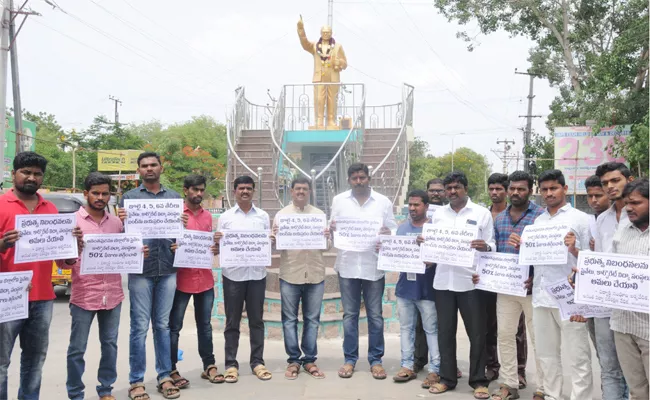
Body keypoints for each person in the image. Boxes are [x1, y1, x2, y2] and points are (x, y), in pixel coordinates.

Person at [0, 152, 82, 399]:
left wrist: (72, 246)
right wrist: (2, 244)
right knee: (2, 362)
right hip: (7, 296)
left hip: (42, 297)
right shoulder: (1, 206)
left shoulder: (51, 208)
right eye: (26, 172)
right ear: (14, 174)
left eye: (37, 173)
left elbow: (61, 259)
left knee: (35, 360)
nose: (31, 177)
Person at [64, 172, 149, 400]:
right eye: (95, 193)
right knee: (77, 349)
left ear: (110, 195)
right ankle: (75, 394)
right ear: (85, 194)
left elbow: (125, 250)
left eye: (105, 193)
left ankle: (105, 390)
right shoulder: (73, 222)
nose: (100, 197)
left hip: (112, 295)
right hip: (84, 295)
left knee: (110, 345)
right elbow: (62, 262)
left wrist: (138, 252)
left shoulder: (117, 223)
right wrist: (74, 251)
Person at [510, 169, 593, 400]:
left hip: (570, 296)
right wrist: (524, 250)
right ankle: (552, 395)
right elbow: (537, 258)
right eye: (544, 189)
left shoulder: (580, 219)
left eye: (553, 188)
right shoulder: (538, 221)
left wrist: (575, 248)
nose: (549, 193)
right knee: (547, 354)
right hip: (541, 294)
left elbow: (591, 258)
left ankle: (580, 397)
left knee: (578, 354)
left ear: (564, 189)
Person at [473, 171, 545, 400]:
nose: (515, 192)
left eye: (521, 189)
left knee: (538, 338)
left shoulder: (541, 217)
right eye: (513, 188)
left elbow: (547, 253)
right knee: (505, 335)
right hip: (505, 289)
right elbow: (492, 253)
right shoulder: (500, 218)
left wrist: (535, 274)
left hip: (532, 287)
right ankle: (510, 383)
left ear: (530, 191)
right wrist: (483, 274)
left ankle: (543, 388)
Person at [119, 152, 183, 400]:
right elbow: (121, 236)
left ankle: (165, 376)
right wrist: (122, 221)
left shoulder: (174, 198)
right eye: (144, 166)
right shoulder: (129, 199)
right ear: (139, 170)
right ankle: (136, 381)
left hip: (168, 269)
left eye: (153, 164)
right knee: (138, 327)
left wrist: (181, 241)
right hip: (140, 271)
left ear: (161, 167)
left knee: (163, 326)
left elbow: (180, 236)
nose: (149, 169)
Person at [426, 171, 494, 398]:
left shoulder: (482, 213)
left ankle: (479, 380)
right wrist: (424, 245)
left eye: (457, 187)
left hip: (471, 282)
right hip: (443, 281)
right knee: (445, 333)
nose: (452, 192)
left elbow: (492, 244)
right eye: (449, 188)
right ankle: (447, 378)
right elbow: (432, 246)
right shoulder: (437, 215)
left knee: (477, 334)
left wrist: (485, 247)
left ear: (466, 188)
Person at [330, 163, 396, 380]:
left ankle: (376, 360)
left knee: (375, 316)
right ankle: (350, 359)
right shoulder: (339, 201)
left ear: (369, 178)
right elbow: (333, 229)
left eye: (362, 177)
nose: (359, 181)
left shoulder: (383, 202)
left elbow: (393, 229)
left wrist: (388, 233)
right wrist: (332, 230)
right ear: (349, 180)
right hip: (347, 265)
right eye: (354, 178)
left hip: (373, 266)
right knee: (350, 316)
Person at [215, 175, 273, 383]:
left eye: (249, 188)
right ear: (234, 191)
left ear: (253, 191)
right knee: (232, 322)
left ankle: (257, 362)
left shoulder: (263, 216)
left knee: (257, 321)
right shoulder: (226, 217)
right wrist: (218, 241)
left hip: (257, 275)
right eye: (241, 188)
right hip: (233, 275)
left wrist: (270, 242)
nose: (245, 191)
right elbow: (220, 244)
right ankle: (230, 364)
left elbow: (266, 243)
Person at [271, 177, 330, 380]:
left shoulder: (319, 215)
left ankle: (310, 359)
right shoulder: (282, 216)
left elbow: (327, 246)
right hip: (290, 273)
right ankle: (294, 360)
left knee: (312, 320)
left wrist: (326, 236)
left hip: (315, 273)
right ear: (291, 191)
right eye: (298, 189)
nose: (301, 192)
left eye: (305, 189)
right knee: (289, 320)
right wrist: (275, 236)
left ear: (310, 191)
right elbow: (274, 246)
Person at [169, 175, 223, 388]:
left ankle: (208, 365)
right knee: (174, 327)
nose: (199, 194)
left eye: (201, 190)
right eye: (195, 190)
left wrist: (214, 248)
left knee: (205, 325)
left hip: (204, 279)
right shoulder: (175, 215)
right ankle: (171, 369)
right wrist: (172, 246)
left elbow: (207, 245)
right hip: (180, 279)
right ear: (185, 190)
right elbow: (165, 243)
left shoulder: (208, 216)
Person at [589, 163, 633, 400]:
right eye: (606, 183)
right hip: (605, 305)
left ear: (629, 179)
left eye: (615, 180)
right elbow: (596, 262)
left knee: (638, 371)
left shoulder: (641, 216)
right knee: (609, 367)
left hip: (637, 306)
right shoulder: (601, 220)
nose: (610, 187)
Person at [390, 190, 440, 389]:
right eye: (410, 205)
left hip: (427, 288)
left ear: (426, 206)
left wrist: (431, 258)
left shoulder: (434, 229)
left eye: (416, 205)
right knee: (406, 329)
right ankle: (406, 366)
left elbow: (441, 256)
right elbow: (394, 254)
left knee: (431, 330)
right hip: (405, 288)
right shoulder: (401, 229)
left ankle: (435, 369)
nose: (412, 208)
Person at [484, 173, 528, 384]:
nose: (495, 193)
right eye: (491, 189)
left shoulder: (536, 215)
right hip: (492, 279)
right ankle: (493, 366)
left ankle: (519, 372)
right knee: (493, 327)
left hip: (521, 283)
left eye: (499, 189)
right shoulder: (487, 215)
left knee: (518, 330)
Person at [610, 179, 649, 399]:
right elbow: (609, 269)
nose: (629, 208)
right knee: (637, 390)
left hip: (648, 327)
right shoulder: (623, 230)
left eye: (635, 203)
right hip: (623, 324)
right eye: (627, 203)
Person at [296, 16, 347, 129]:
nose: (325, 34)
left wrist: (340, 62)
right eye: (324, 32)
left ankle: (331, 121)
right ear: (320, 33)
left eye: (328, 32)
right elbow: (305, 44)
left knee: (332, 99)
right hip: (319, 77)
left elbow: (345, 63)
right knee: (319, 99)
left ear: (331, 33)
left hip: (333, 77)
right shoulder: (315, 46)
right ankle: (319, 122)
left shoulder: (338, 47)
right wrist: (301, 30)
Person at [585, 174, 610, 250]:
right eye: (590, 196)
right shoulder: (587, 220)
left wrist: (600, 245)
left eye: (598, 196)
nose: (593, 200)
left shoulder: (619, 218)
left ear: (609, 194)